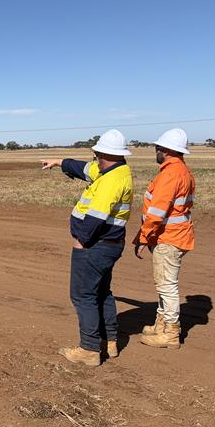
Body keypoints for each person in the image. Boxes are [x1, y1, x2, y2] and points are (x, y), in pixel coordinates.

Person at [42, 129, 133, 366]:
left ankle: (90, 349)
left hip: (95, 246)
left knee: (83, 296)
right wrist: (59, 162)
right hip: (109, 245)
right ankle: (109, 341)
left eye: (95, 154)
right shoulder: (115, 170)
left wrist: (80, 241)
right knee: (102, 292)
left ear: (102, 153)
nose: (94, 159)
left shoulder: (111, 181)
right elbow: (84, 169)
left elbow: (95, 218)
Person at [133, 128, 196, 349]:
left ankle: (170, 332)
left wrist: (143, 237)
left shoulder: (170, 174)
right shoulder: (183, 171)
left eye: (158, 147)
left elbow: (157, 212)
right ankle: (161, 323)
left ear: (167, 150)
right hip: (177, 235)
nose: (156, 150)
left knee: (167, 285)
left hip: (168, 238)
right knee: (164, 284)